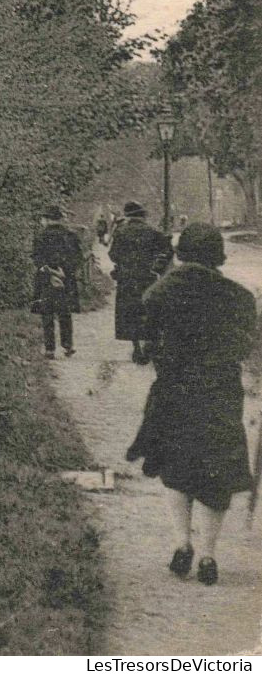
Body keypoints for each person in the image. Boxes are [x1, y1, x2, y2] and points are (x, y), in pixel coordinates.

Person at [126, 223, 257, 586]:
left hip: (175, 390)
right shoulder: (240, 297)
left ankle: (182, 543)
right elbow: (249, 349)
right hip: (220, 392)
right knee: (216, 472)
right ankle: (210, 555)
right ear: (218, 255)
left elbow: (146, 342)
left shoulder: (160, 291)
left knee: (176, 466)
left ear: (181, 252)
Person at [109, 201, 173, 364]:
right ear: (143, 216)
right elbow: (167, 252)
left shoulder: (121, 232)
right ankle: (151, 343)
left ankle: (137, 347)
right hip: (147, 277)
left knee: (130, 313)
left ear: (128, 216)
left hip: (127, 279)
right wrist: (157, 267)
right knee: (149, 310)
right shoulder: (153, 232)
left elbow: (113, 255)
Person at [31, 205, 82, 358]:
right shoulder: (71, 236)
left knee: (47, 313)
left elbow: (36, 258)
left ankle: (49, 349)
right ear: (59, 219)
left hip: (46, 278)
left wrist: (48, 270)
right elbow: (78, 258)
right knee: (65, 313)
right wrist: (66, 272)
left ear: (46, 220)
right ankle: (68, 346)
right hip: (66, 279)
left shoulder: (40, 236)